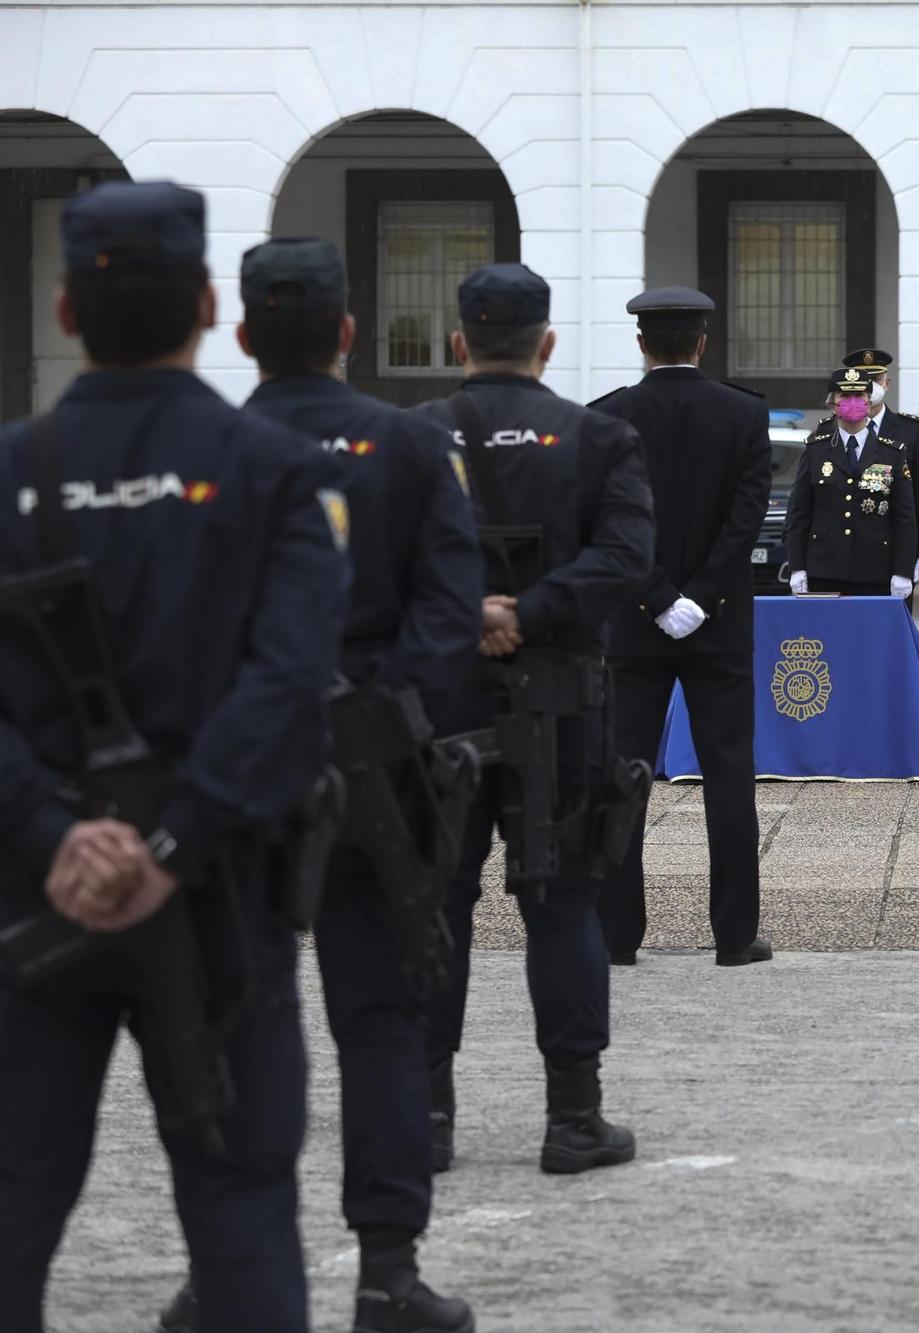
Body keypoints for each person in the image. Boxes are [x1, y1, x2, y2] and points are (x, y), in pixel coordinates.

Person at [0, 181, 349, 1333]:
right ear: (209, 304)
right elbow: (290, 682)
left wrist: (56, 830)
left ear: (64, 310)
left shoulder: (9, 473)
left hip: (28, 899)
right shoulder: (272, 470)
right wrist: (170, 840)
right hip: (218, 897)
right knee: (242, 1209)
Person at [217, 238, 482, 1333]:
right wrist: (383, 708)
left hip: (235, 769)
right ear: (346, 332)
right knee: (378, 1025)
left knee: (239, 1022)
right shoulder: (415, 443)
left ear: (242, 336)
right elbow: (452, 607)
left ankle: (226, 1265)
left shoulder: (211, 446)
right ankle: (387, 1271)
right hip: (380, 768)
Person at [414, 263, 655, 1177]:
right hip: (563, 696)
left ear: (458, 342)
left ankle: (428, 1116)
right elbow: (629, 557)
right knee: (561, 904)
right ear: (547, 343)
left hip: (440, 695)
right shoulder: (598, 437)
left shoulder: (416, 435)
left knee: (437, 904)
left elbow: (383, 559)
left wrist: (471, 611)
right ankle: (573, 1116)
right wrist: (533, 611)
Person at [590, 286, 772, 971]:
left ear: (642, 344)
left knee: (624, 777)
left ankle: (615, 934)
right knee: (729, 779)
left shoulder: (607, 417)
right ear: (701, 343)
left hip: (633, 630)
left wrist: (655, 597)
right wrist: (698, 596)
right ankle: (733, 935)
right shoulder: (743, 414)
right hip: (719, 625)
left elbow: (610, 526)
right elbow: (745, 518)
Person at [787, 368, 917, 599]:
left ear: (869, 402)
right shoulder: (816, 450)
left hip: (876, 571)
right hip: (824, 570)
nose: (852, 402)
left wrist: (903, 571)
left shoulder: (892, 453)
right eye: (844, 397)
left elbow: (904, 518)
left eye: (859, 396)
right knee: (826, 634)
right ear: (831, 404)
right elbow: (799, 515)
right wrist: (797, 567)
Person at [843, 348, 919, 596]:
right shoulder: (834, 428)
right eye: (863, 381)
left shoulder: (910, 429)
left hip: (895, 551)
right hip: (844, 553)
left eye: (875, 380)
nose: (870, 387)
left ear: (887, 382)